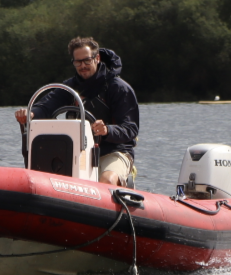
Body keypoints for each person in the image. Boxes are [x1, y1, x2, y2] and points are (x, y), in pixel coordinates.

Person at [15, 36, 140, 186]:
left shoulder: (119, 88)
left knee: (107, 180)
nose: (83, 66)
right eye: (78, 62)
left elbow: (130, 128)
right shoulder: (69, 87)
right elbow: (46, 106)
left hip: (115, 151)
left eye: (87, 60)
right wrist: (31, 114)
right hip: (79, 151)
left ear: (97, 58)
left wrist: (107, 130)